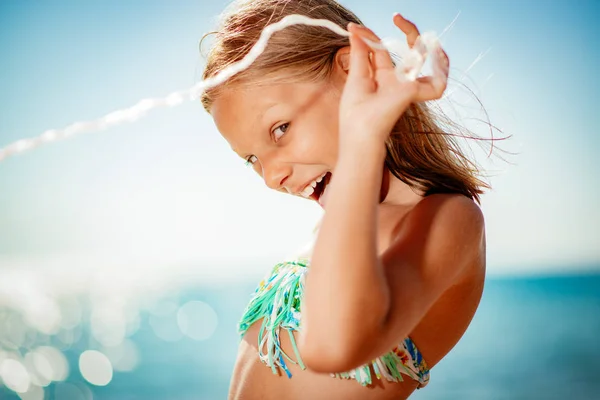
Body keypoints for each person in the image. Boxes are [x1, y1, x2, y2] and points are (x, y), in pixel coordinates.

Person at [201, 1, 488, 398]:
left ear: (353, 70)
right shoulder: (339, 224)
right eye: (252, 159)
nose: (271, 177)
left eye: (280, 129)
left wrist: (363, 138)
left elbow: (331, 345)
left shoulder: (446, 220)